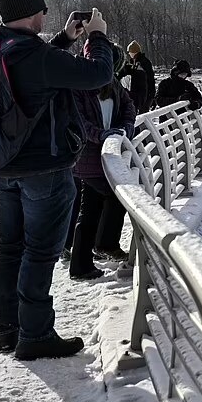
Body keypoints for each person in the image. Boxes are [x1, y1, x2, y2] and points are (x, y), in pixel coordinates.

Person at [0, 0, 113, 361]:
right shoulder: (36, 57)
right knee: (40, 252)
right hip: (44, 171)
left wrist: (63, 39)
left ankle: (9, 330)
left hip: (3, 168)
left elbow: (35, 74)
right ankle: (36, 335)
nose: (45, 14)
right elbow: (98, 75)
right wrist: (98, 37)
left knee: (9, 247)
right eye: (42, 9)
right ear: (32, 12)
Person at [65, 44, 136, 280]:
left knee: (94, 206)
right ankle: (98, 250)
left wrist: (125, 128)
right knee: (109, 200)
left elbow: (129, 107)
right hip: (87, 157)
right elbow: (78, 123)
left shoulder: (113, 85)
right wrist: (101, 135)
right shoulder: (78, 87)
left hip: (107, 156)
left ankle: (88, 258)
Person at [125, 41, 155, 112]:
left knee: (143, 114)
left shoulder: (143, 63)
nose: (129, 54)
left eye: (130, 52)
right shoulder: (133, 62)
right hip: (136, 93)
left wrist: (151, 95)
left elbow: (149, 79)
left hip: (144, 94)